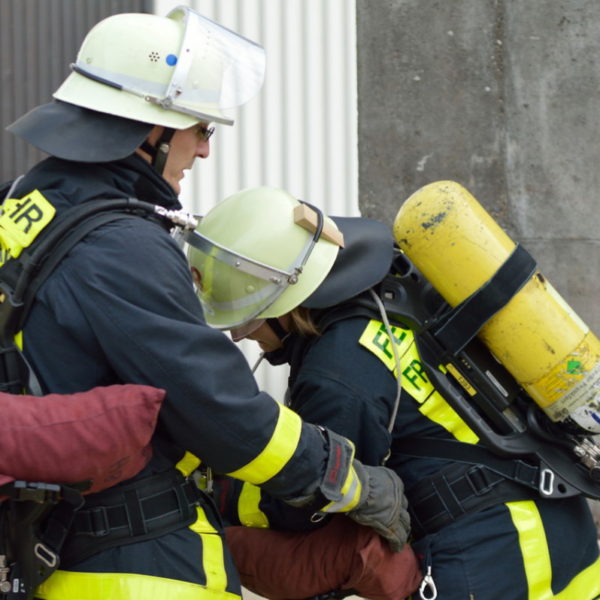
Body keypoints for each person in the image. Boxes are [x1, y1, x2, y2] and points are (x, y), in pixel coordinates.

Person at [2, 7, 410, 600]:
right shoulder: (119, 246)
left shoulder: (29, 202)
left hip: (51, 542)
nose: (203, 151)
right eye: (201, 129)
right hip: (133, 564)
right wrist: (345, 477)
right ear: (149, 128)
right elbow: (221, 413)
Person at [187, 185, 600, 600]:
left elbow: (311, 501)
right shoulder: (400, 294)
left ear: (283, 300)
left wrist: (221, 494)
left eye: (248, 320)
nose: (246, 336)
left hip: (491, 557)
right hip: (563, 527)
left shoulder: (336, 374)